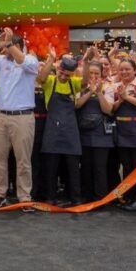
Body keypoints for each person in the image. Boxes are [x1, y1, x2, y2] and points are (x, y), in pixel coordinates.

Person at [0, 28, 39, 210]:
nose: (4, 50)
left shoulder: (30, 59)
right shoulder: (1, 60)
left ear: (15, 45)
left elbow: (22, 60)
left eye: (8, 45)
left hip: (22, 117)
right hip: (0, 115)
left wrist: (8, 44)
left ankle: (24, 197)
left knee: (23, 160)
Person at [108, 58, 136, 212]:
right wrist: (120, 100)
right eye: (121, 70)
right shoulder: (114, 86)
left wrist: (127, 97)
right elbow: (110, 109)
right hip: (121, 131)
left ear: (135, 71)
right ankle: (128, 196)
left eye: (128, 69)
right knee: (127, 167)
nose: (124, 72)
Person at [37, 55, 83, 206]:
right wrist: (50, 60)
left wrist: (87, 61)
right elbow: (41, 78)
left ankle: (75, 197)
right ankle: (50, 197)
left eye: (67, 75)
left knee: (73, 168)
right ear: (58, 69)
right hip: (52, 130)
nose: (63, 77)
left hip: (70, 131)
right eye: (61, 73)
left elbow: (86, 82)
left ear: (73, 74)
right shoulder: (51, 81)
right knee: (51, 166)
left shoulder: (74, 83)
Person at [75, 61, 116, 202]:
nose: (93, 76)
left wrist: (98, 93)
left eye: (96, 73)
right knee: (85, 166)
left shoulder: (108, 88)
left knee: (100, 167)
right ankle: (86, 196)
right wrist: (89, 92)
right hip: (84, 132)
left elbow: (108, 110)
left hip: (102, 133)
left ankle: (101, 198)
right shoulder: (80, 87)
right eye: (90, 73)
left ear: (101, 74)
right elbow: (77, 105)